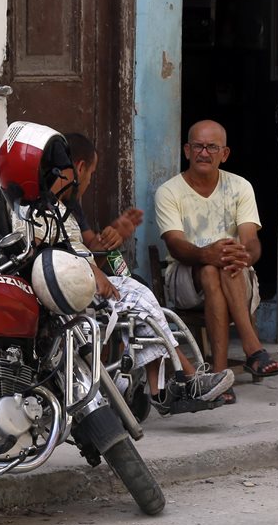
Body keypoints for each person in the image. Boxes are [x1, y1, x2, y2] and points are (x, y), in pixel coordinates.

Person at [58, 132, 234, 414]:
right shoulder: (49, 206)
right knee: (139, 299)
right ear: (79, 168)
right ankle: (185, 380)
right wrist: (94, 267)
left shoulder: (71, 204)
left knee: (139, 298)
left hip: (84, 277)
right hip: (67, 284)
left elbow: (90, 250)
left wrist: (113, 235)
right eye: (91, 172)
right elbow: (69, 258)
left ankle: (164, 386)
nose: (90, 180)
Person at [154, 120, 278, 405]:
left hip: (233, 276)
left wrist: (244, 255)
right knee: (212, 266)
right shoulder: (169, 191)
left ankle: (220, 373)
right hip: (185, 279)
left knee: (223, 264)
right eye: (198, 146)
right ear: (187, 150)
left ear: (224, 154)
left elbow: (250, 240)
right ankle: (254, 350)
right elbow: (176, 245)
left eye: (212, 147)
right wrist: (204, 254)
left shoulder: (240, 187)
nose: (204, 153)